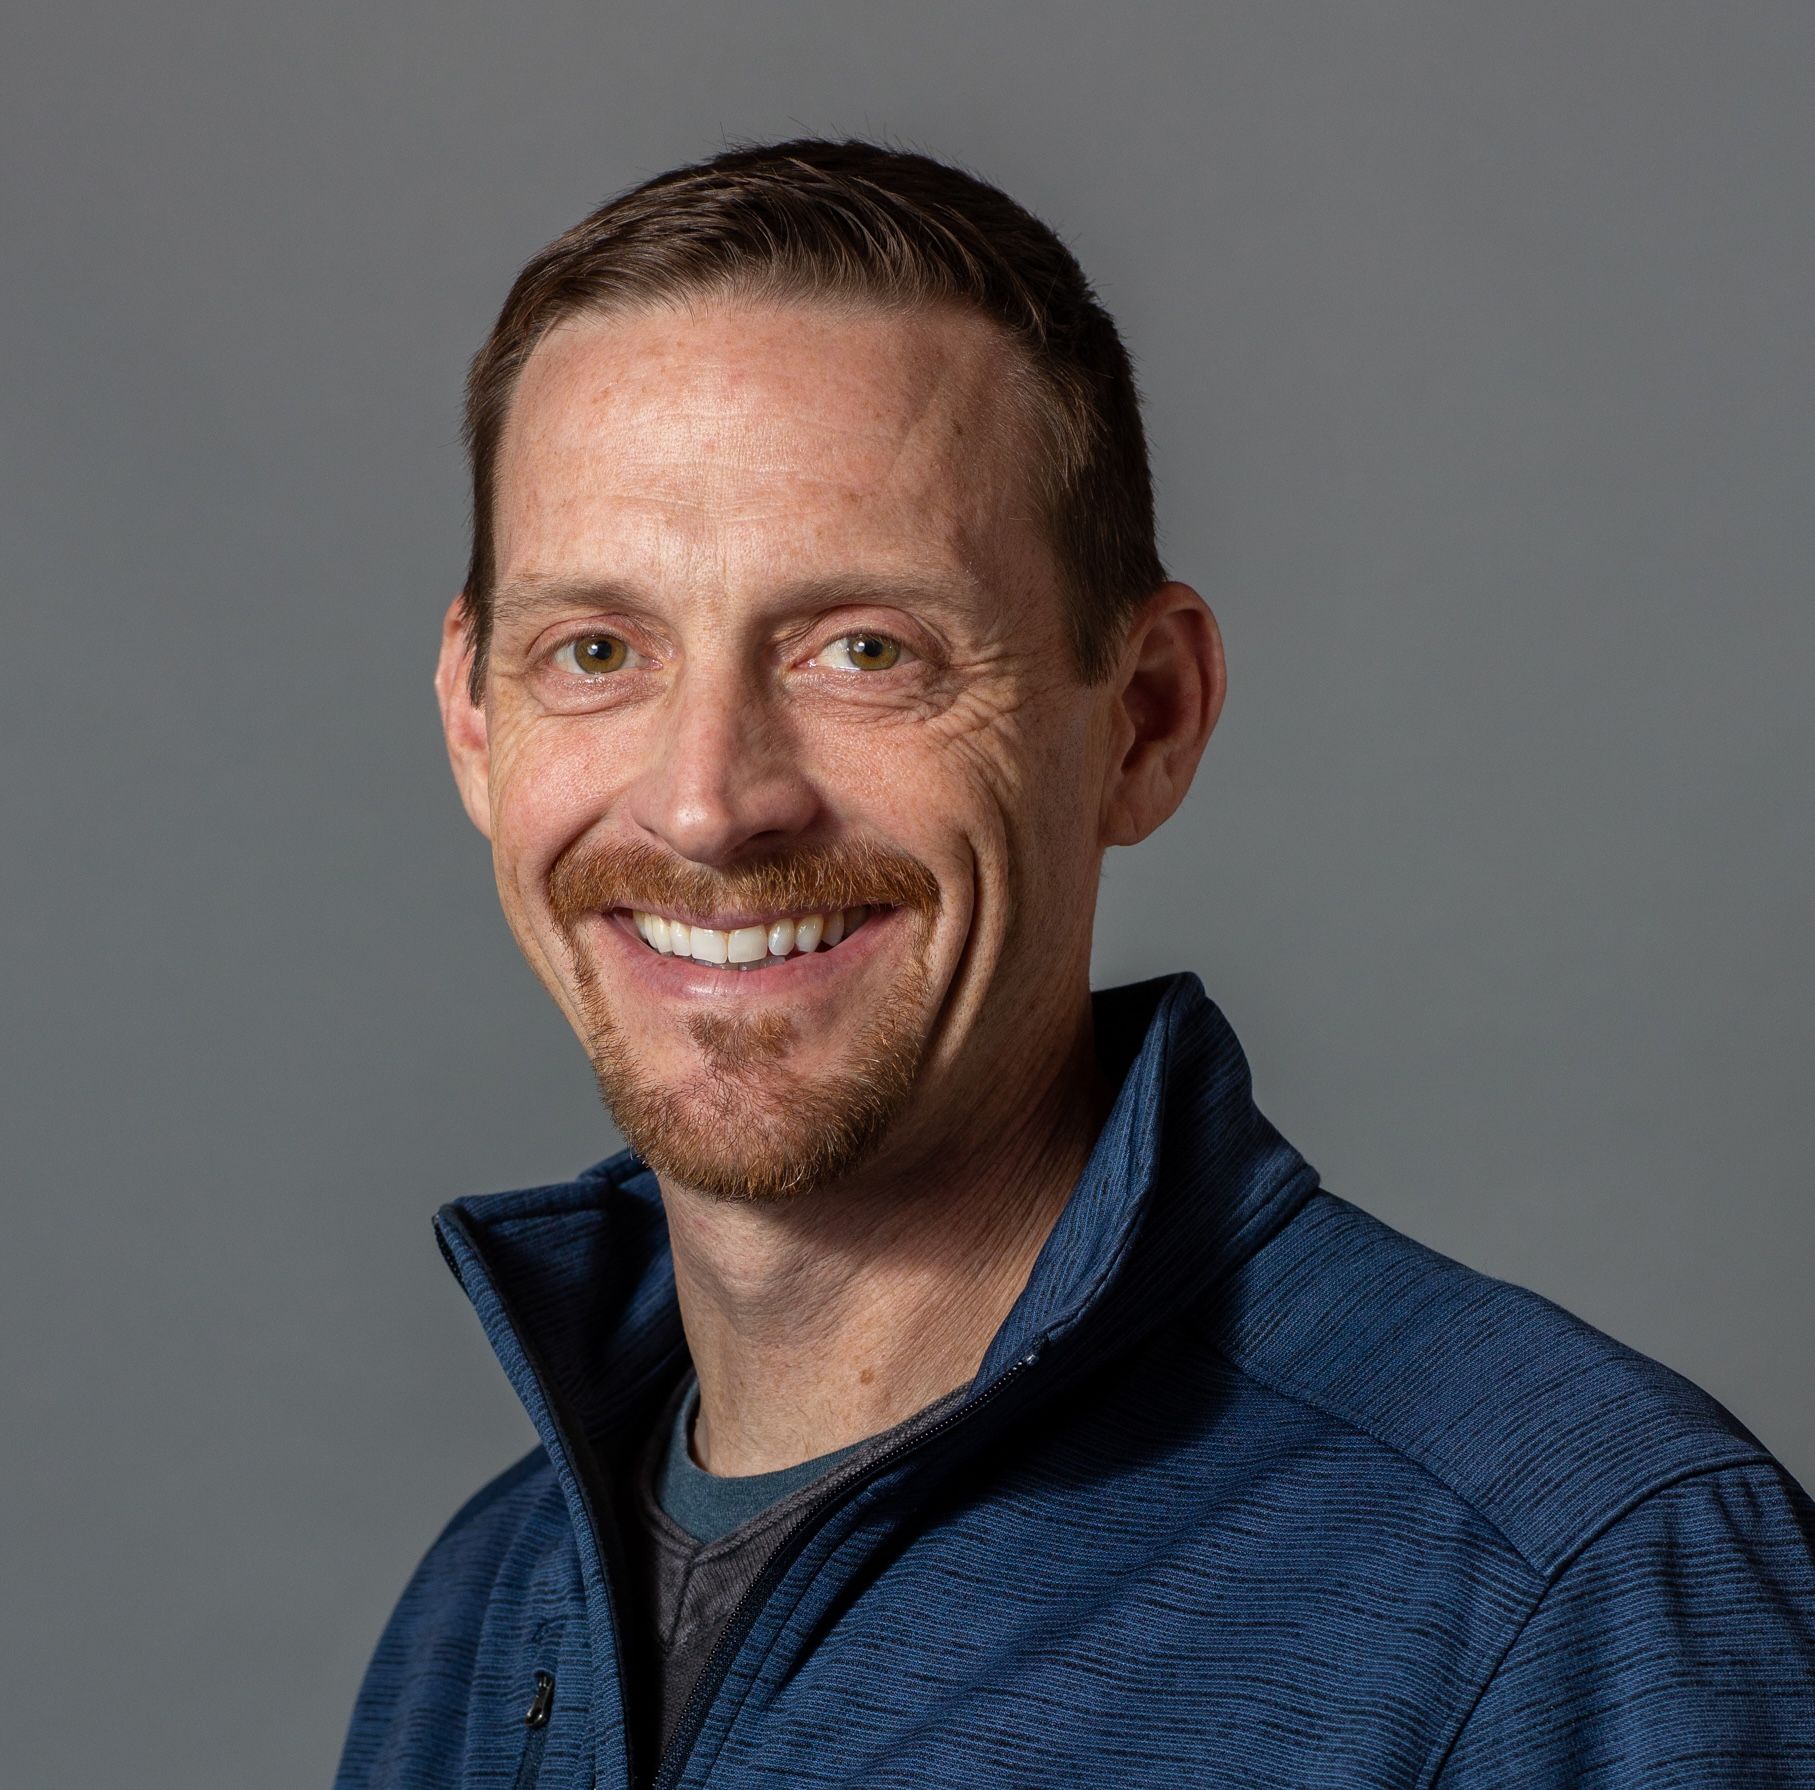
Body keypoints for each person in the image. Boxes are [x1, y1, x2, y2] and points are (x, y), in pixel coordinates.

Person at [334, 139, 1815, 1790]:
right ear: (476, 716)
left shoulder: (1569, 1590)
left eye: (865, 649)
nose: (708, 801)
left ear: (1147, 717)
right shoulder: (480, 1619)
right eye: (598, 649)